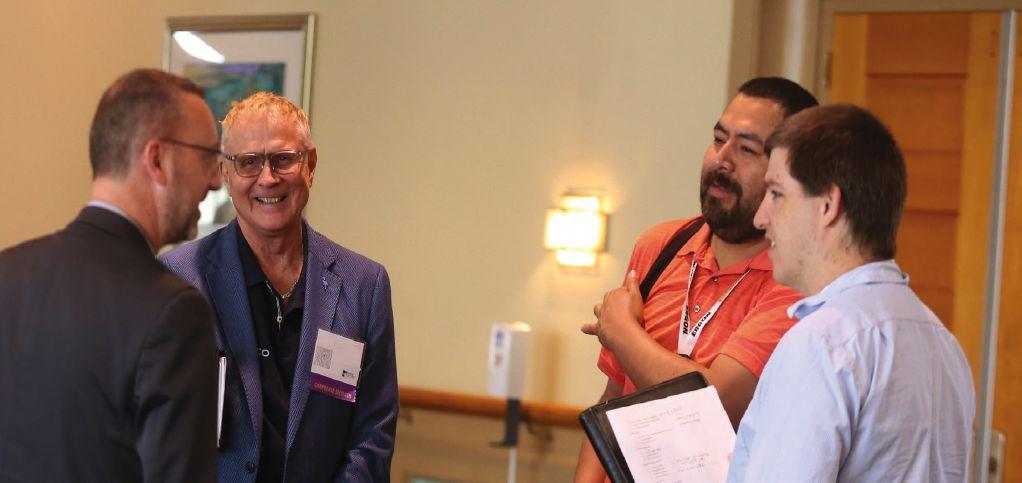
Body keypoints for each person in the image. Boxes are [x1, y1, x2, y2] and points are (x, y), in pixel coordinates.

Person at [576, 77, 818, 481]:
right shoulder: (659, 246)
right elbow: (614, 398)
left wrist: (621, 330)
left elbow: (715, 402)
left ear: (788, 173)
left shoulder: (795, 282)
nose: (721, 160)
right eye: (718, 139)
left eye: (746, 149)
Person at [728, 104, 975, 481]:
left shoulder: (821, 345)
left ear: (828, 206)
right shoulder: (945, 345)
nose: (761, 218)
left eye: (776, 193)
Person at [161, 92, 398, 481]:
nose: (268, 177)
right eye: (248, 162)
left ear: (311, 165)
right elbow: (160, 436)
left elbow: (372, 437)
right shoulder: (178, 279)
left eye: (284, 159)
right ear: (225, 173)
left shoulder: (363, 286)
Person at [0, 69, 222, 481]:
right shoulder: (174, 313)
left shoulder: (7, 273)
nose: (215, 180)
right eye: (209, 156)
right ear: (157, 160)